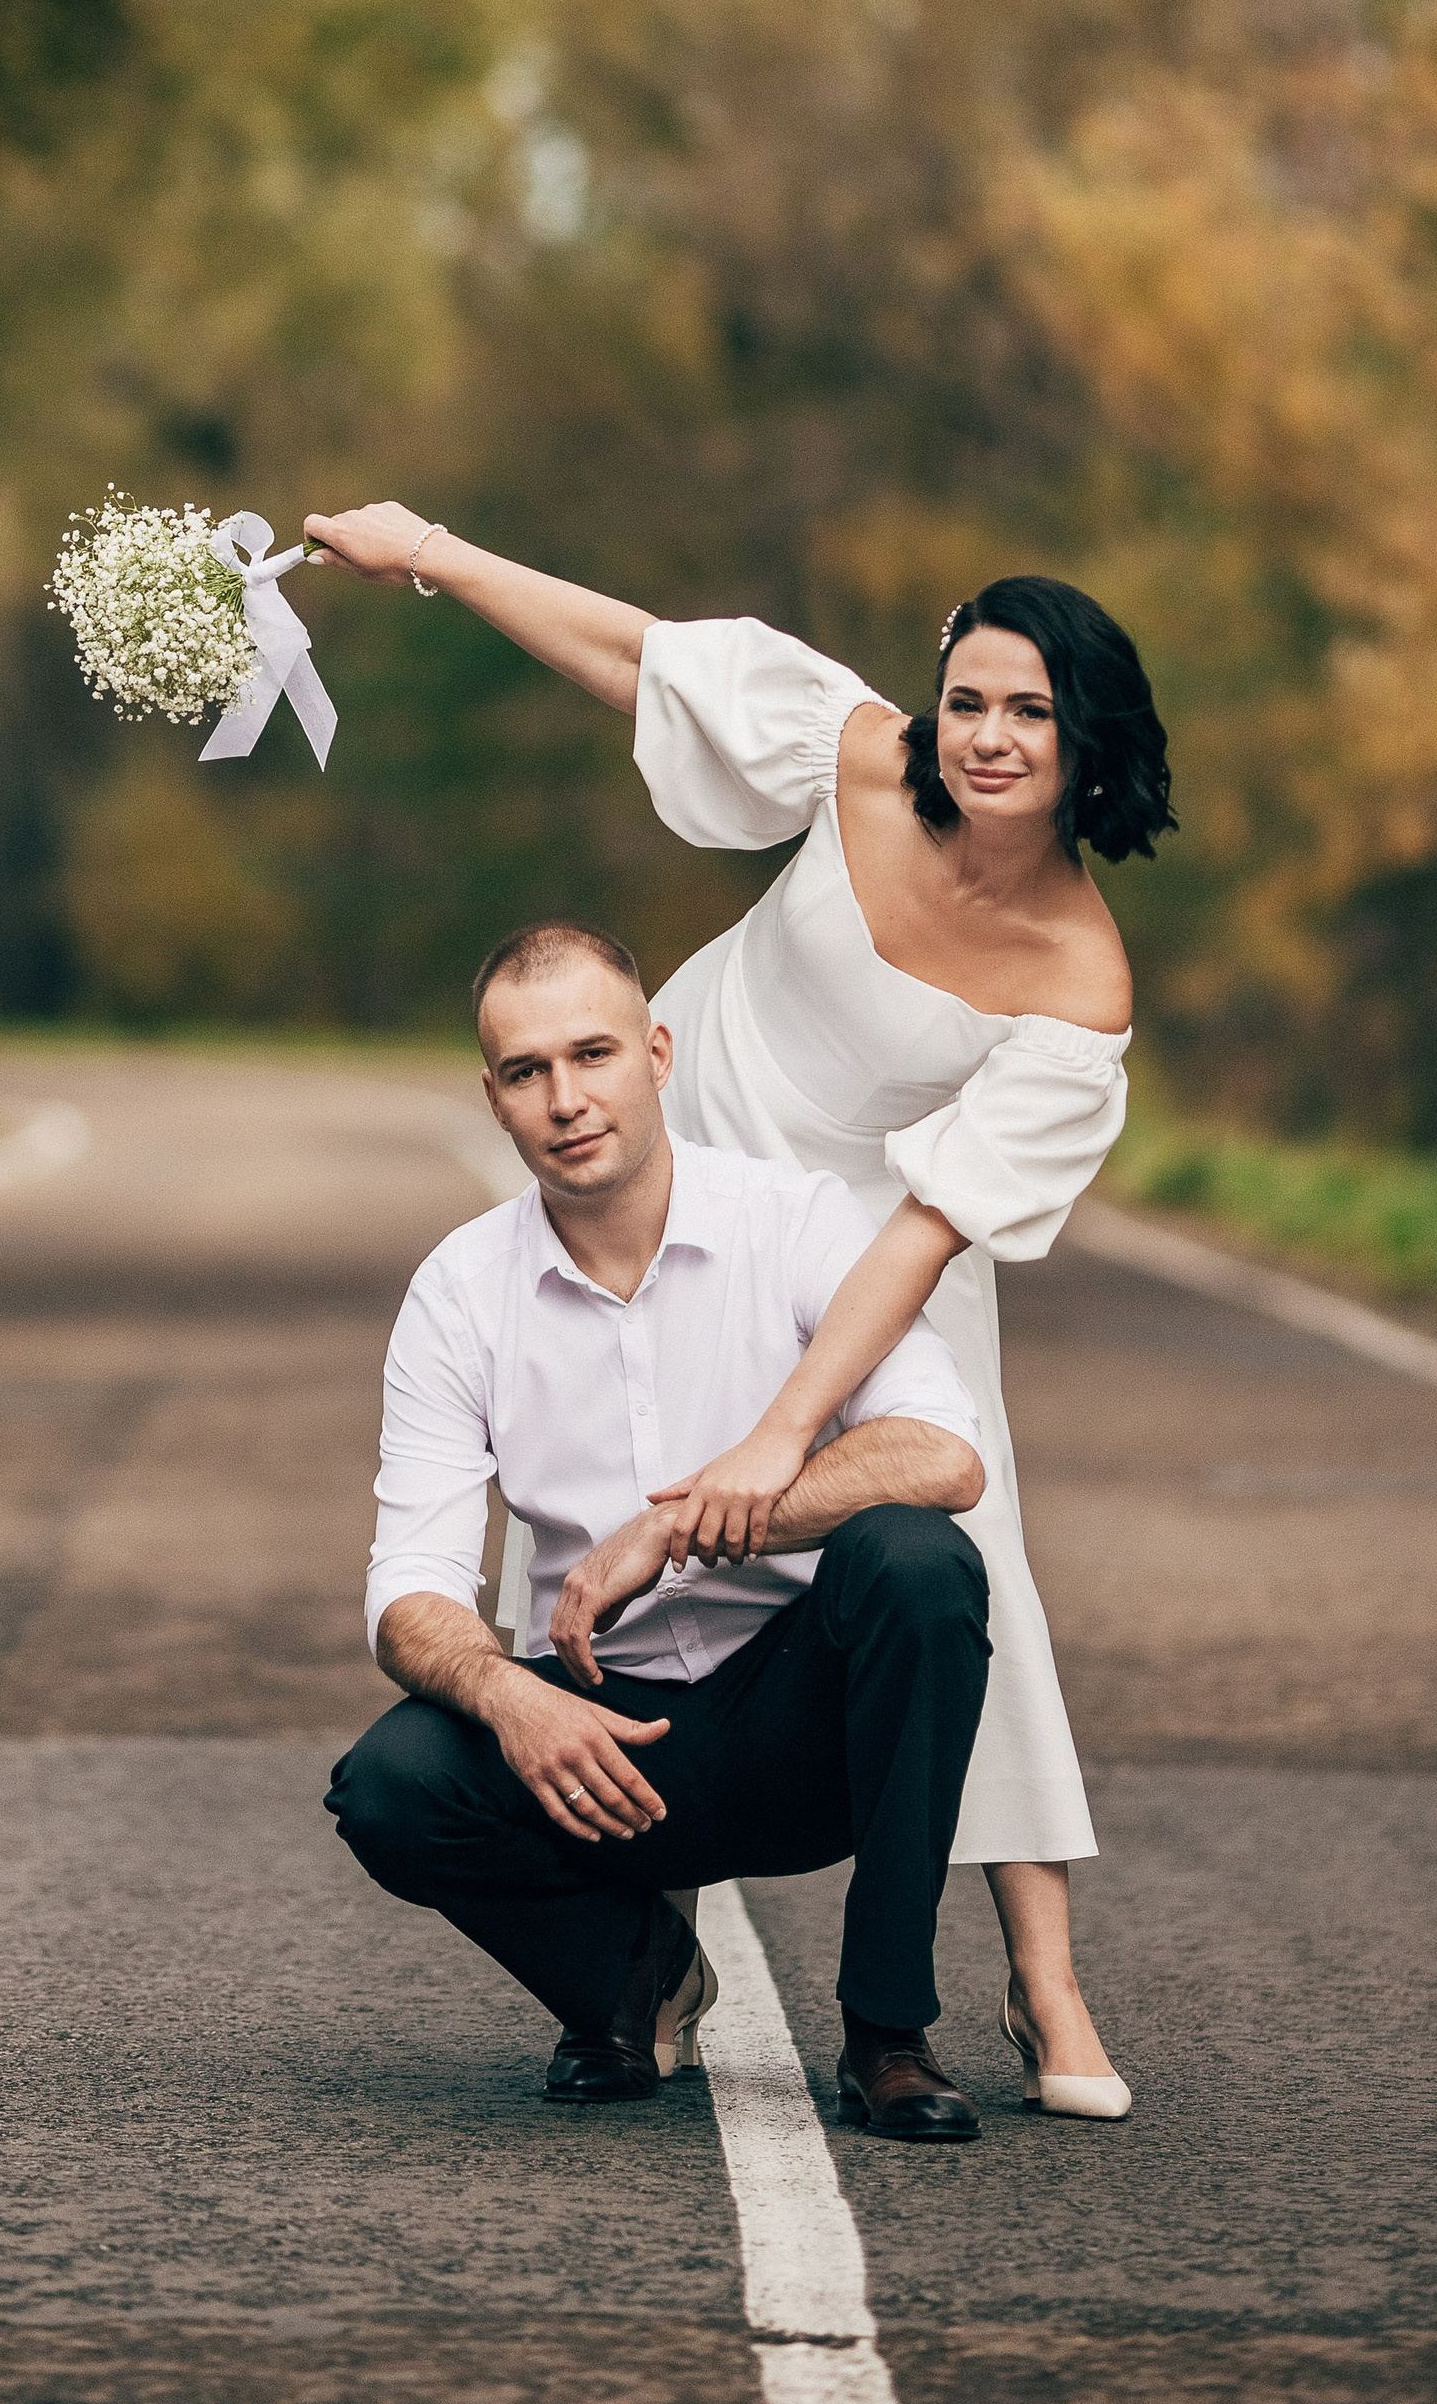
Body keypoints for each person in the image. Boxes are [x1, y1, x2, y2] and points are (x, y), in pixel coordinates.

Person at [306, 504, 1170, 2120]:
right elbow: (639, 658)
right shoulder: (856, 755)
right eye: (967, 697)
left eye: (1029, 710)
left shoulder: (1080, 975)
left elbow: (916, 1229)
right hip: (663, 1144)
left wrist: (770, 1449)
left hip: (866, 1242)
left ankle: (1028, 1983)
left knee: (959, 1567)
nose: (984, 737)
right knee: (575, 1549)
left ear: (1088, 739)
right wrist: (430, 551)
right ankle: (628, 1932)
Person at [331, 924, 997, 2137]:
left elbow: (940, 1453)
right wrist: (507, 1694)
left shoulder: (790, 1221)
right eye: (526, 1071)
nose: (567, 1098)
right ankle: (635, 1977)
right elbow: (407, 1587)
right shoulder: (460, 1290)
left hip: (807, 1722)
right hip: (602, 1739)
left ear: (656, 1052)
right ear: (493, 1097)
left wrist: (677, 1528)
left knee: (916, 1564)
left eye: (593, 1053)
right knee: (391, 1782)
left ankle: (888, 2033)